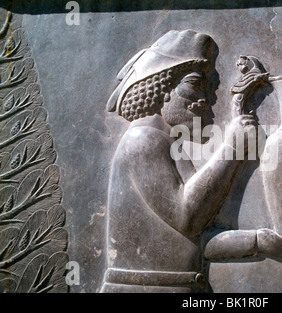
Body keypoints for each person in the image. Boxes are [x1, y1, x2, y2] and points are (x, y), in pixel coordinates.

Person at [101, 30, 257, 292]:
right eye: (195, 84)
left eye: (209, 88)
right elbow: (189, 218)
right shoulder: (143, 139)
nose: (204, 99)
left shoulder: (168, 144)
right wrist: (232, 148)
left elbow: (194, 237)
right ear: (161, 88)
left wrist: (262, 241)